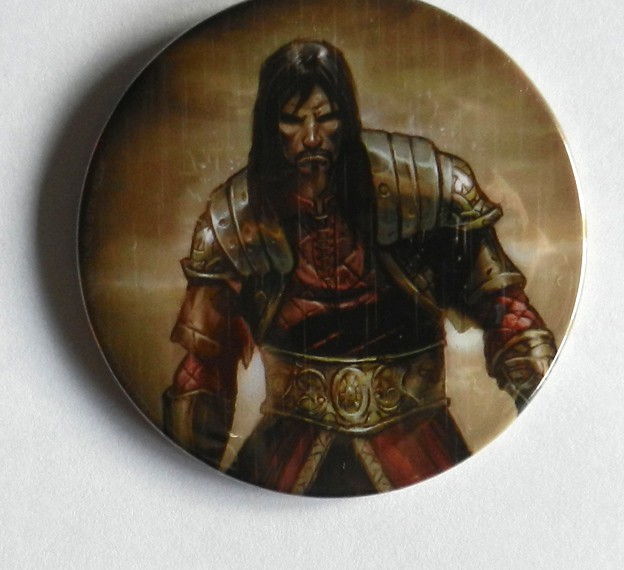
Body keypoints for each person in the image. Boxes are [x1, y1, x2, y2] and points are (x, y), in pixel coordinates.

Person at [163, 40, 556, 496]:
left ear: (346, 117)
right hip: (287, 449)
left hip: (415, 442)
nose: (312, 137)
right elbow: (203, 375)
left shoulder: (422, 185)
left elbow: (507, 314)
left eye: (325, 117)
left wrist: (551, 424)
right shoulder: (237, 218)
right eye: (292, 120)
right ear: (271, 125)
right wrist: (178, 488)